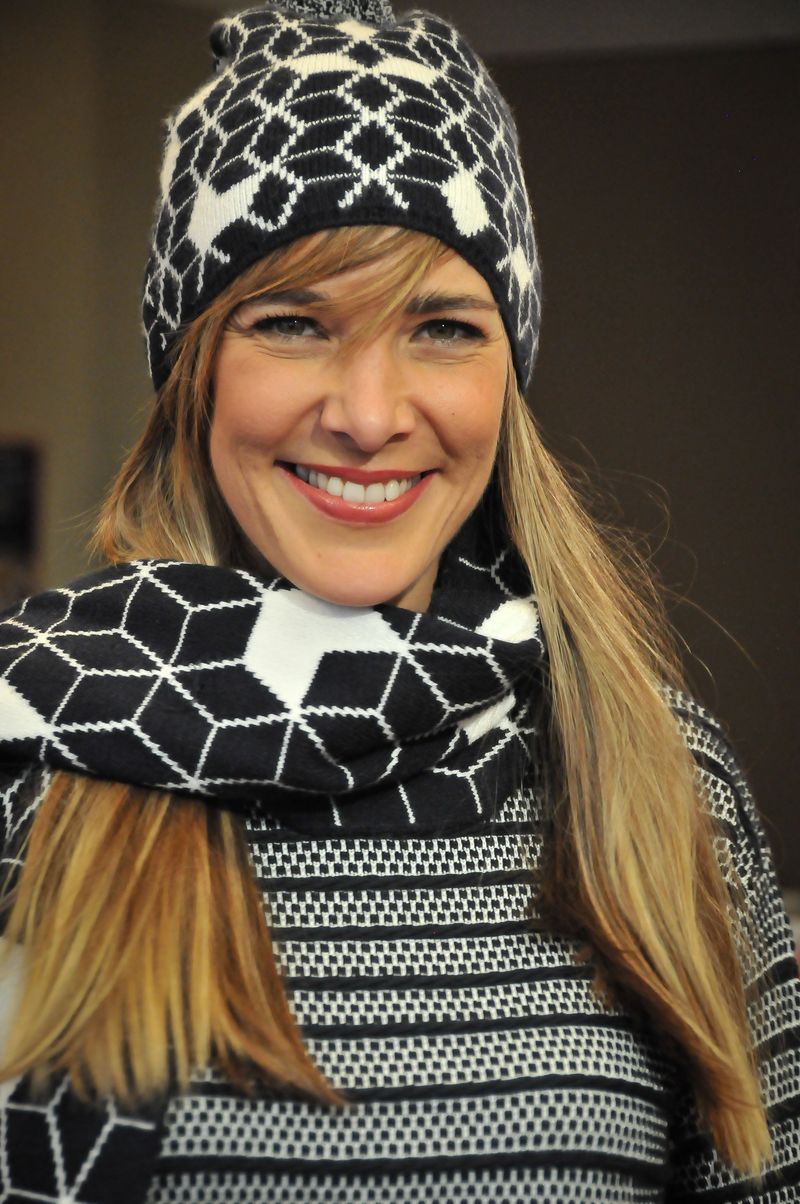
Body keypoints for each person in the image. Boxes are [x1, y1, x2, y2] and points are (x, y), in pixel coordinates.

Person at [0, 0, 798, 1200]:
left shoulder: (658, 782)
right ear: (194, 371)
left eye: (441, 326)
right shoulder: (34, 759)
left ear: (507, 372)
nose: (368, 417)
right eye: (291, 322)